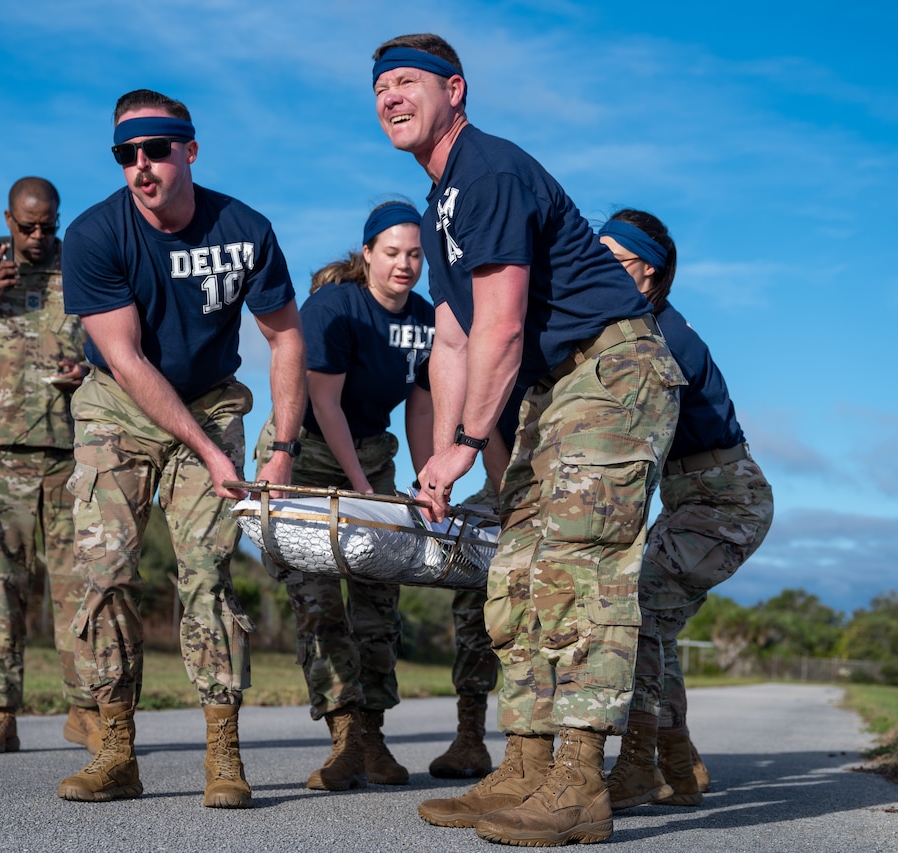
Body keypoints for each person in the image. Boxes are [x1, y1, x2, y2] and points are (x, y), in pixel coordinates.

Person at [370, 35, 685, 846]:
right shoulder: (441, 204)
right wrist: (439, 455)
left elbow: (502, 326)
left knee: (581, 566)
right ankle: (527, 763)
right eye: (380, 89)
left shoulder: (489, 171)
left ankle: (579, 782)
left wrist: (470, 440)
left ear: (456, 90)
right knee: (514, 572)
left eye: (408, 82)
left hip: (610, 370)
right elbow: (451, 339)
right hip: (555, 389)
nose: (390, 98)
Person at [54, 89, 306, 808]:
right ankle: (115, 750)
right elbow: (128, 362)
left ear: (189, 149)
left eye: (156, 149)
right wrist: (208, 449)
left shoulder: (246, 228)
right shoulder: (95, 235)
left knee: (207, 573)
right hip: (117, 406)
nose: (141, 166)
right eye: (126, 155)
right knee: (102, 574)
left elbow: (285, 337)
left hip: (210, 397)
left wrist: (281, 446)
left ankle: (223, 753)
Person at [596, 209, 774, 810]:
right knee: (659, 624)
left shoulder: (664, 338)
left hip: (727, 501)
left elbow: (640, 440)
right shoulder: (636, 325)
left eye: (614, 260)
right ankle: (677, 763)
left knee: (642, 609)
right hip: (692, 499)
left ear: (649, 271)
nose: (600, 270)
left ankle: (640, 765)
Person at [254, 200, 434, 791]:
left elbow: (422, 405)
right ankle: (344, 736)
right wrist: (361, 491)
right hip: (306, 452)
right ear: (367, 255)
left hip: (373, 454)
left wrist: (429, 476)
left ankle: (374, 736)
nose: (404, 264)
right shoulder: (334, 306)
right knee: (318, 601)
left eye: (414, 253)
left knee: (379, 602)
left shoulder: (428, 318)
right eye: (392, 253)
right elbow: (322, 404)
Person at [0, 177, 101, 755]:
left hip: (69, 457)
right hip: (0, 459)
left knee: (79, 592)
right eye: (27, 226)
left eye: (47, 226)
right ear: (7, 218)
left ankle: (84, 712)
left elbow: (118, 353)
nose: (37, 236)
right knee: (0, 592)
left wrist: (88, 374)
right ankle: (0, 715)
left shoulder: (81, 272)